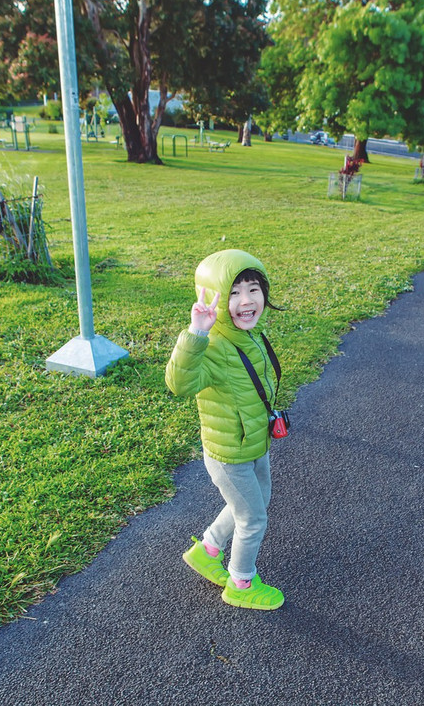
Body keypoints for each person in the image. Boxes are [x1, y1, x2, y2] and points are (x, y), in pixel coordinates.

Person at [165, 249, 286, 611]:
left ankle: (207, 551)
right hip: (229, 453)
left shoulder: (250, 336)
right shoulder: (213, 345)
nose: (246, 300)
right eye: (232, 292)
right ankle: (241, 582)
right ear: (213, 298)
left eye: (253, 289)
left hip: (254, 441)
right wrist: (195, 333)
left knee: (254, 502)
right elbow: (179, 384)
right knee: (252, 517)